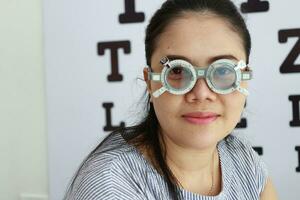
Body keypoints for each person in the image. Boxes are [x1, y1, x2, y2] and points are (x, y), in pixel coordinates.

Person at [65, 0, 278, 199]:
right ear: (150, 82)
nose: (202, 93)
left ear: (245, 79)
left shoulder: (243, 160)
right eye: (177, 70)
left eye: (223, 70)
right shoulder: (110, 186)